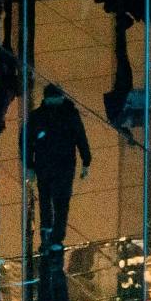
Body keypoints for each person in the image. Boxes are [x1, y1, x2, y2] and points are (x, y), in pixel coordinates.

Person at [25, 82, 92, 247]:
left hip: (44, 164)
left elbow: (27, 142)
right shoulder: (71, 114)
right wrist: (86, 161)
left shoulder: (37, 116)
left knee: (46, 196)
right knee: (61, 201)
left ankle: (47, 228)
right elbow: (80, 137)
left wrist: (30, 165)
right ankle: (56, 236)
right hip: (65, 164)